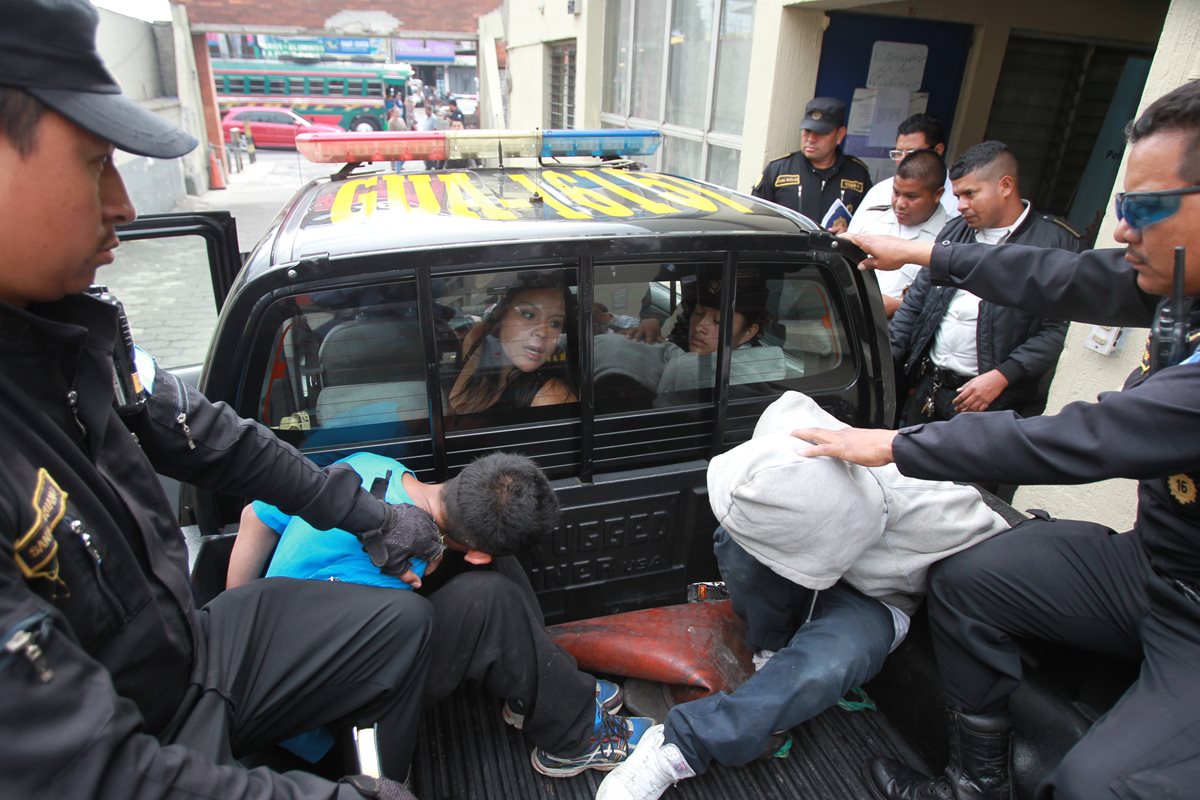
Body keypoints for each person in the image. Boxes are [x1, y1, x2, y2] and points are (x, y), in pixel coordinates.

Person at [0, 2, 443, 799]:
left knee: (400, 626)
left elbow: (218, 440)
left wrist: (372, 517)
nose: (123, 205)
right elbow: (85, 774)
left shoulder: (66, 341)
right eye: (95, 161)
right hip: (124, 733)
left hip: (186, 653)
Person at [798, 79, 1200, 800]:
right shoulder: (1180, 280)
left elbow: (1079, 440)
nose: (1125, 232)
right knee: (966, 581)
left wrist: (896, 446)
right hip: (1154, 565)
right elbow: (1060, 276)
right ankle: (973, 782)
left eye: (1143, 208)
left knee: (1094, 786)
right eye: (1120, 209)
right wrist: (918, 255)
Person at [594, 392, 1009, 800]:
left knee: (829, 664)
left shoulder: (947, 516)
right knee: (733, 544)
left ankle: (679, 747)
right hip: (807, 559)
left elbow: (994, 580)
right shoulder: (796, 426)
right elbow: (789, 404)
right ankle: (770, 651)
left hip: (876, 597)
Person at [228, 451, 653, 778]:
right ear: (476, 553)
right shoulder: (389, 574)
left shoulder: (368, 468)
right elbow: (355, 663)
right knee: (490, 600)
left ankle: (540, 688)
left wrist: (239, 617)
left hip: (286, 645)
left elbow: (256, 515)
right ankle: (574, 739)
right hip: (323, 723)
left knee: (492, 571)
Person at [890, 140, 1079, 439]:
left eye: (970, 194)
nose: (961, 204)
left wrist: (1004, 376)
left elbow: (1059, 329)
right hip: (928, 389)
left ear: (1005, 186)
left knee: (968, 485)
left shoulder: (1053, 244)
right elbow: (917, 300)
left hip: (992, 403)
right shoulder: (955, 230)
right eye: (957, 196)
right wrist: (888, 360)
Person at [448, 271, 578, 415]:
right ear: (503, 312)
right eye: (528, 314)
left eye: (555, 323)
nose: (543, 332)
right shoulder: (476, 342)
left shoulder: (549, 396)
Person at [847, 150, 951, 318]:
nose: (900, 203)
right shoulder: (872, 217)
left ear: (938, 194)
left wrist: (898, 306)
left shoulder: (949, 238)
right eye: (896, 192)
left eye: (911, 196)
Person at [751, 97, 872, 233]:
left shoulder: (858, 174)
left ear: (840, 135)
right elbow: (754, 219)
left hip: (834, 253)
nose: (811, 139)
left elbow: (870, 228)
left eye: (820, 133)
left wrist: (849, 233)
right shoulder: (778, 170)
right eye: (807, 131)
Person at [853, 113, 958, 219]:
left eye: (912, 153)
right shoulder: (879, 192)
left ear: (938, 150)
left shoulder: (958, 197)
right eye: (898, 153)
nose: (904, 161)